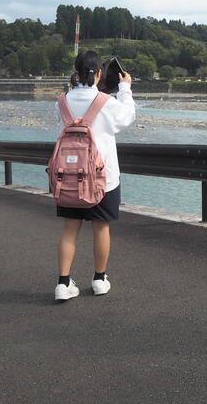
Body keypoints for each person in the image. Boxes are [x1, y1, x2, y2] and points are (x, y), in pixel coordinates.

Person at [54, 50, 136, 303]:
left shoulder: (61, 102)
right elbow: (128, 117)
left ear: (75, 72)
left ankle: (63, 284)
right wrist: (125, 88)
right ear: (99, 73)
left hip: (68, 177)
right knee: (101, 228)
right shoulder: (106, 102)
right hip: (103, 177)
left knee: (70, 229)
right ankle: (99, 279)